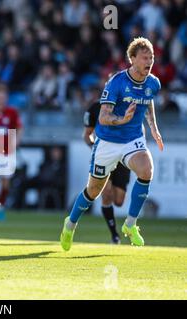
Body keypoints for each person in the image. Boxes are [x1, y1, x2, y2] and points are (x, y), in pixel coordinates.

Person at [60, 37, 164, 250]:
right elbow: (103, 117)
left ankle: (130, 224)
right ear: (132, 59)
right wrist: (122, 119)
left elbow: (148, 99)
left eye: (151, 57)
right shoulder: (116, 82)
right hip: (107, 141)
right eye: (145, 57)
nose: (149, 62)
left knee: (146, 170)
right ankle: (70, 224)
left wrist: (153, 126)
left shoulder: (153, 82)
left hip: (133, 139)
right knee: (94, 190)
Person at [83, 92, 132, 244]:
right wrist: (95, 148)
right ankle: (114, 235)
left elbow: (137, 130)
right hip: (105, 156)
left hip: (122, 157)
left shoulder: (128, 106)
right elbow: (87, 135)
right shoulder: (95, 108)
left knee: (119, 201)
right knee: (106, 194)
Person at [0, 83, 23, 222]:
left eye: (3, 95)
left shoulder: (12, 112)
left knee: (6, 183)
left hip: (8, 152)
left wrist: (16, 141)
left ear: (6, 97)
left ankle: (0, 207)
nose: (0, 98)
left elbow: (19, 128)